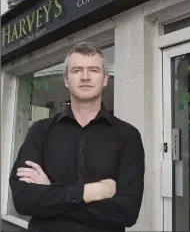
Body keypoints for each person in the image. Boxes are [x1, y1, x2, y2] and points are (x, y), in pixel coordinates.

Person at [9, 42, 145, 232]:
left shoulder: (127, 135)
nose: (86, 77)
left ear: (105, 78)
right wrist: (92, 191)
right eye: (77, 70)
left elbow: (127, 212)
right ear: (66, 79)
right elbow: (24, 201)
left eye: (94, 70)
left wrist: (52, 192)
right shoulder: (40, 131)